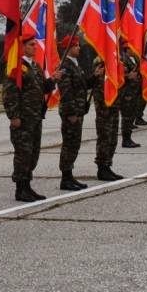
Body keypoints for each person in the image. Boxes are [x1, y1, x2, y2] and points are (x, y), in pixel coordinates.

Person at [4, 25, 60, 201]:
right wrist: (13, 115)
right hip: (23, 119)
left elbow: (42, 88)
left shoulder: (35, 66)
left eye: (35, 44)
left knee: (33, 153)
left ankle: (27, 186)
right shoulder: (16, 67)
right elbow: (10, 93)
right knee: (23, 153)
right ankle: (20, 189)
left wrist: (53, 80)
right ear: (22, 47)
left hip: (35, 117)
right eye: (31, 45)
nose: (35, 47)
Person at [56, 35, 91, 190]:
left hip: (78, 111)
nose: (79, 48)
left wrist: (95, 77)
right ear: (69, 48)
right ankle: (65, 178)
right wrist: (71, 113)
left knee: (75, 144)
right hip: (71, 113)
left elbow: (82, 86)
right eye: (76, 45)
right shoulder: (65, 66)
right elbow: (66, 91)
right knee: (69, 144)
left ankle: (70, 176)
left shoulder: (76, 65)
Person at [92, 56, 123, 181]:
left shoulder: (113, 59)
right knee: (104, 138)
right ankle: (102, 168)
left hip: (113, 105)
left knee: (112, 138)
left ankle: (108, 166)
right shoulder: (99, 62)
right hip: (104, 107)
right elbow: (98, 85)